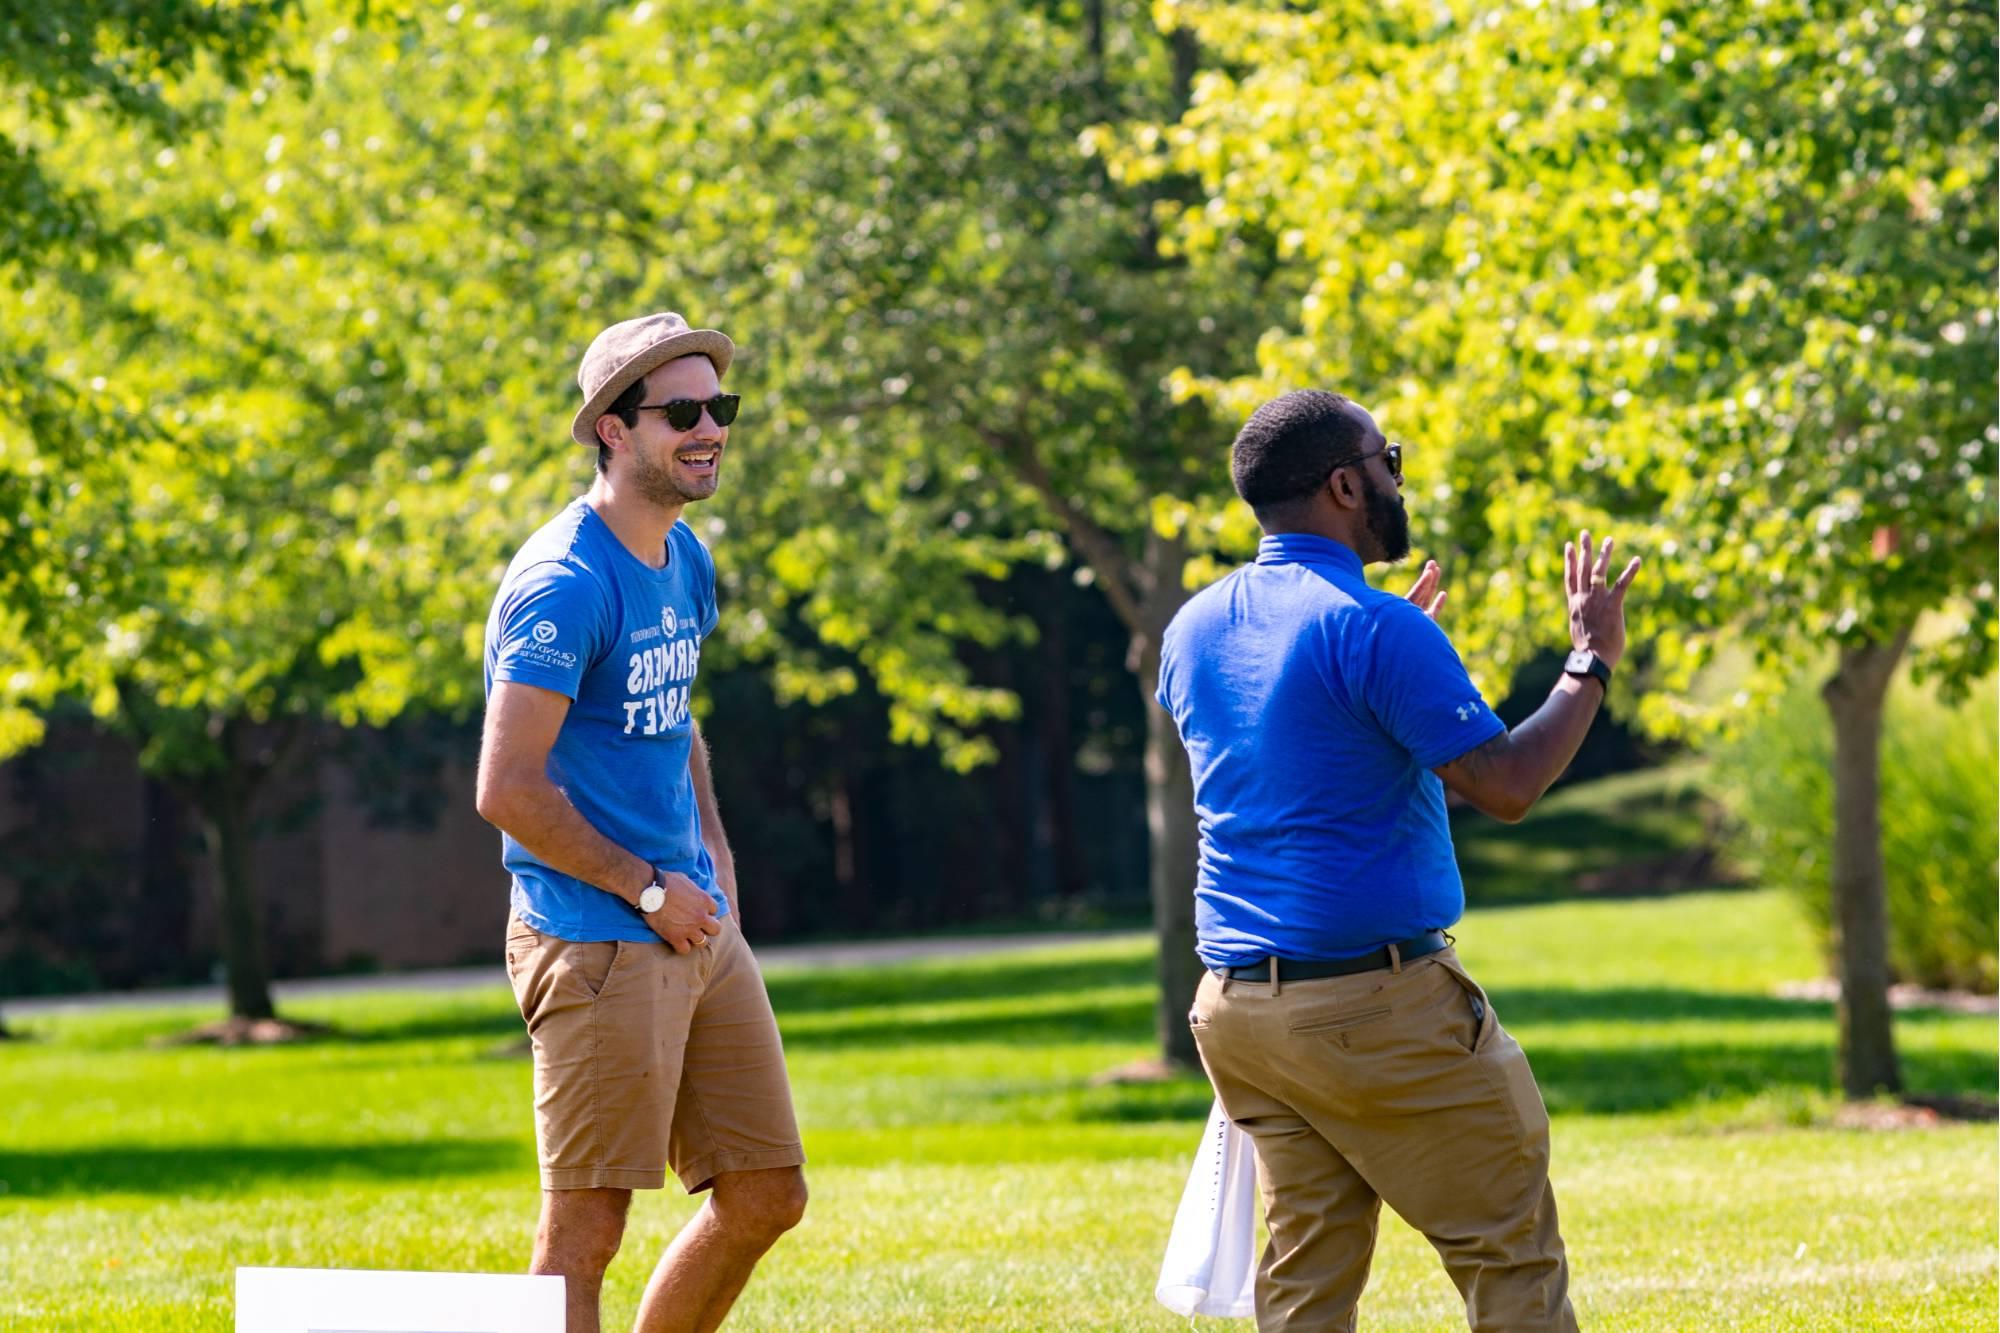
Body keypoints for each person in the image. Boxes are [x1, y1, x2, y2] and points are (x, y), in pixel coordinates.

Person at [1155, 389, 1641, 1331]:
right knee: (1510, 1256)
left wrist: (1387, 661)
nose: (1396, 479)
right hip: (1374, 1010)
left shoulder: (1193, 628)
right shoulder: (1374, 629)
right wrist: (1589, 661)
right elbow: (1506, 785)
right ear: (1346, 482)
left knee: (1306, 1272)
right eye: (1390, 461)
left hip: (1241, 1017)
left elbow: (1296, 759)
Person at [476, 312, 807, 1333]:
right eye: (681, 411)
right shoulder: (564, 583)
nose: (708, 428)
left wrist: (710, 860)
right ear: (610, 430)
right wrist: (651, 887)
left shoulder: (682, 556)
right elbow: (508, 788)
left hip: (690, 923)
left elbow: (674, 722)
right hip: (598, 935)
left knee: (765, 1192)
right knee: (582, 1235)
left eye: (720, 406)